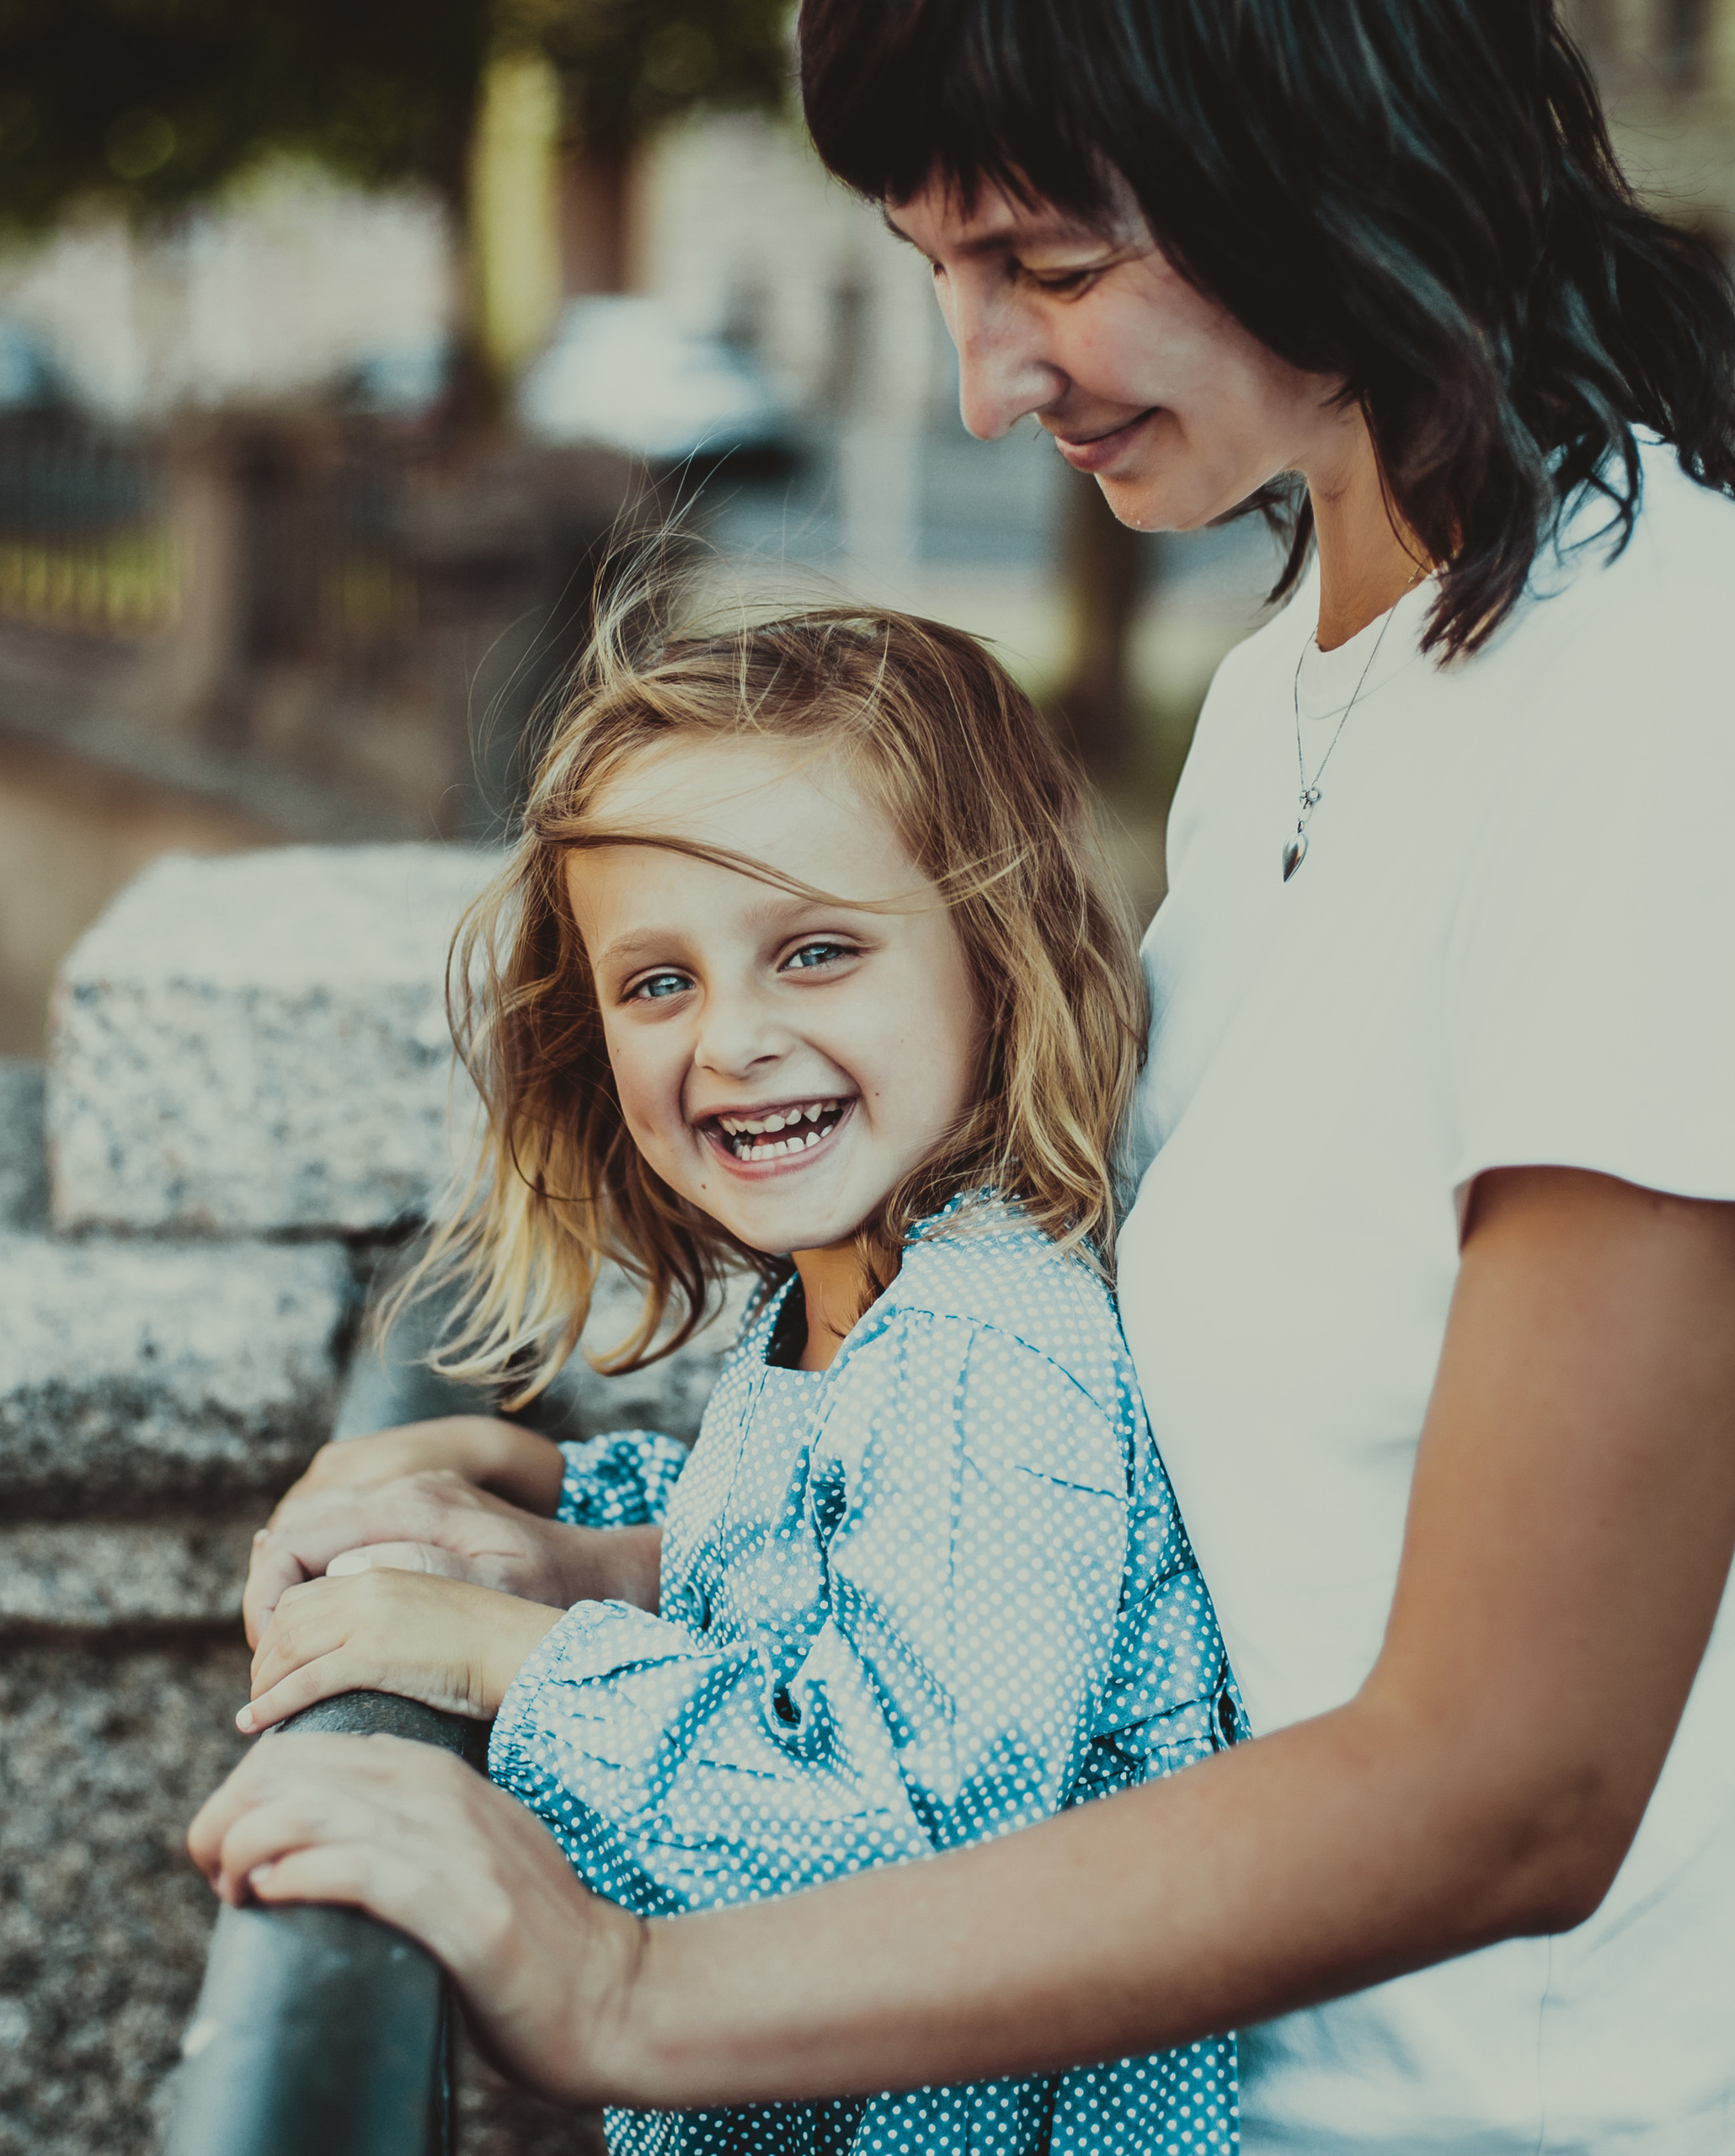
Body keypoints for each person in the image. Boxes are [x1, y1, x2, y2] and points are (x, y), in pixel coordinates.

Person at [190, 3, 1735, 2147]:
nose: (989, 383)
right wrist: (616, 1564)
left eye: (1050, 268)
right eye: (939, 275)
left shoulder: (1673, 718)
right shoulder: (1303, 684)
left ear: (1321, 151)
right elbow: (1200, 1523)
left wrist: (631, 1984)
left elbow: (1514, 1777)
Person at [225, 594, 1247, 2154]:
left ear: (995, 952)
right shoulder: (868, 1301)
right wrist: (569, 1517)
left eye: (815, 952)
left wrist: (506, 1656)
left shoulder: (986, 1343)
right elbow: (823, 1557)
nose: (734, 1040)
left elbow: (901, 1818)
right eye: (659, 983)